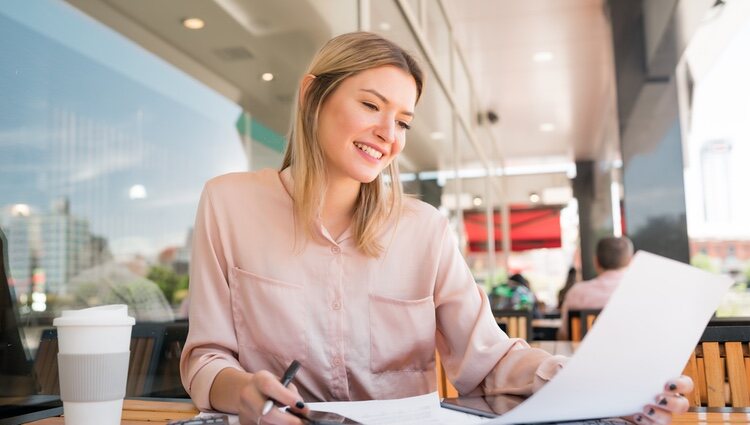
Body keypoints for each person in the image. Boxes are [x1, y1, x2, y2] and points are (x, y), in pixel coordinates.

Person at [179, 32, 690, 425]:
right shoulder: (229, 203)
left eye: (403, 121)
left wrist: (605, 388)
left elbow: (487, 360)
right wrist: (243, 392)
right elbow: (206, 356)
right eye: (371, 105)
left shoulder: (423, 229)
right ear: (313, 95)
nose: (388, 133)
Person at [558, 237, 634, 340]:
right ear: (631, 260)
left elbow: (564, 334)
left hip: (584, 355)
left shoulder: (577, 292)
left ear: (596, 261)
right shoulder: (641, 292)